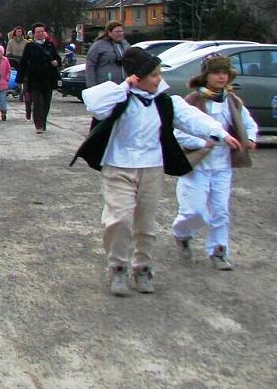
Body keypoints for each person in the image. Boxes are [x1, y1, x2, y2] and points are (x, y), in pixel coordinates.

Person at [72, 47, 241, 296]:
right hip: (119, 166)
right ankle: (117, 267)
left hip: (152, 167)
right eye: (153, 75)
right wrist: (125, 86)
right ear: (137, 77)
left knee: (145, 222)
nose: (158, 79)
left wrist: (221, 133)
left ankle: (142, 268)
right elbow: (94, 103)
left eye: (158, 74)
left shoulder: (165, 101)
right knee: (119, 219)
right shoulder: (120, 98)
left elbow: (192, 118)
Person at [171, 54, 258, 270]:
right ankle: (182, 234)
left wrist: (250, 138)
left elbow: (248, 123)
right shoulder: (192, 101)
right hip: (197, 165)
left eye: (225, 73)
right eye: (216, 73)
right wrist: (202, 142)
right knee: (195, 211)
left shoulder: (232, 101)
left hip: (222, 166)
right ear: (205, 75)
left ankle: (218, 251)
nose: (221, 77)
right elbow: (176, 133)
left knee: (220, 210)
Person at [17, 23, 61, 133]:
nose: (40, 33)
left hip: (48, 79)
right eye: (38, 32)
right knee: (37, 102)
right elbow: (23, 63)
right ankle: (39, 125)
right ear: (34, 34)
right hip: (34, 78)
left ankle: (43, 121)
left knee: (46, 102)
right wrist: (19, 79)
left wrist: (57, 62)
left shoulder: (50, 45)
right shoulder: (30, 46)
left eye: (42, 31)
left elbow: (58, 59)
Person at [85, 21, 130, 88]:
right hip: (105, 86)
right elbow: (90, 66)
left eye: (121, 31)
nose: (120, 34)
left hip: (123, 86)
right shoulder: (98, 46)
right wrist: (91, 86)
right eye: (117, 32)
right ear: (109, 32)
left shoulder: (125, 45)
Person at [0, 45, 12, 121]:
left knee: (2, 99)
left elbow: (8, 70)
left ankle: (3, 112)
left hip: (3, 82)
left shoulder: (5, 60)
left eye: (0, 51)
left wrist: (7, 78)